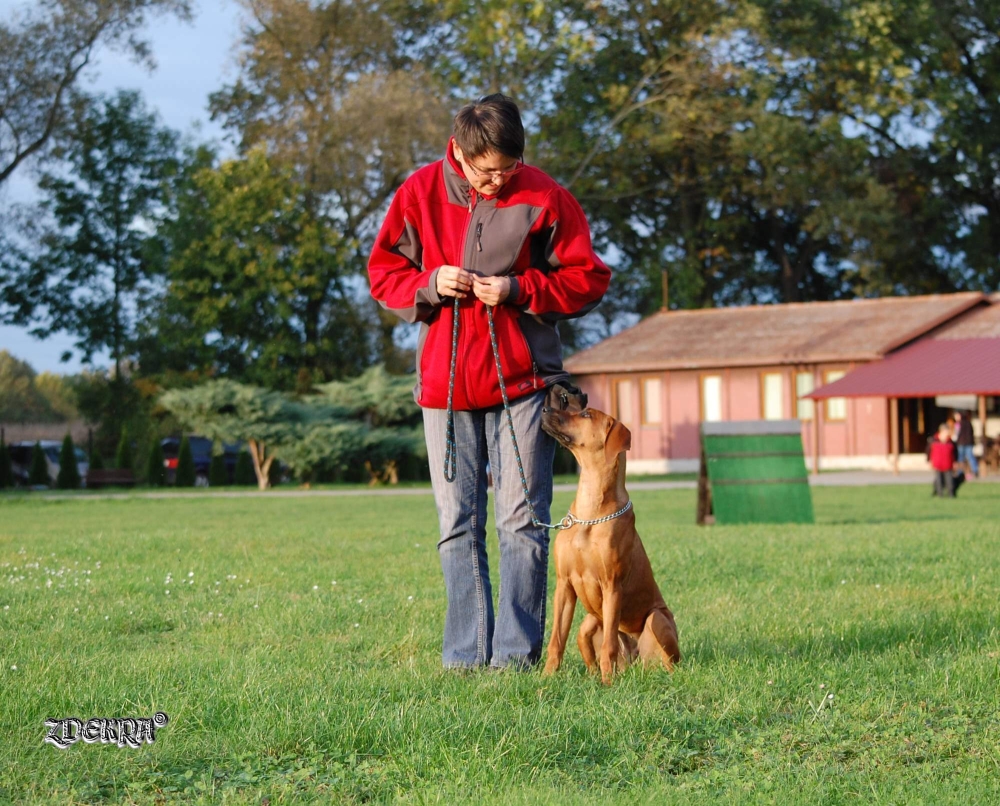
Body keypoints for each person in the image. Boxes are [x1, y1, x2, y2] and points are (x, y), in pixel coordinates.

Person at [367, 94, 610, 669]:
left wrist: (522, 290)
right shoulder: (418, 193)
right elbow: (384, 274)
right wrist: (430, 284)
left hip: (523, 386)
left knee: (522, 522)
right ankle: (464, 657)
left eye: (509, 168)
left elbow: (587, 278)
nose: (500, 179)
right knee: (457, 524)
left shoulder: (544, 195)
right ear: (459, 151)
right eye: (487, 170)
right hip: (444, 391)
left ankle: (515, 659)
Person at [929, 422, 958, 497]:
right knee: (938, 480)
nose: (947, 433)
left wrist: (955, 462)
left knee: (949, 480)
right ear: (941, 431)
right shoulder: (934, 440)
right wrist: (930, 461)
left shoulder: (951, 442)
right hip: (938, 463)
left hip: (948, 463)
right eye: (946, 431)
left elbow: (955, 453)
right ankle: (939, 494)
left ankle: (951, 493)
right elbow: (929, 451)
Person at [953, 410, 979, 478]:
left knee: (960, 458)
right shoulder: (968, 422)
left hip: (961, 443)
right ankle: (975, 470)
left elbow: (956, 434)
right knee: (970, 456)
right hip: (969, 443)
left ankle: (960, 472)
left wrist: (954, 441)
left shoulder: (958, 424)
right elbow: (972, 432)